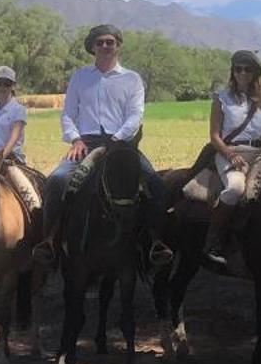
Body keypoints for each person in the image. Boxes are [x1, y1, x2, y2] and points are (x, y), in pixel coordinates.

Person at [39, 24, 167, 265]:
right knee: (56, 181)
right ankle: (50, 241)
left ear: (118, 46)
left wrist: (117, 139)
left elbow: (135, 115)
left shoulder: (132, 79)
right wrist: (75, 139)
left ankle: (155, 243)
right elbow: (68, 113)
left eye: (110, 42)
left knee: (155, 184)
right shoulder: (80, 77)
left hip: (122, 144)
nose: (105, 46)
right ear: (93, 48)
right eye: (100, 43)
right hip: (85, 144)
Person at [188, 49, 261, 268]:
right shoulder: (222, 98)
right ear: (233, 72)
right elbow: (214, 136)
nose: (242, 73)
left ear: (255, 72)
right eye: (238, 69)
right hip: (230, 153)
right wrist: (230, 154)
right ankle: (214, 242)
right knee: (236, 189)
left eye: (247, 69)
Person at [0, 65, 44, 213]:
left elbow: (13, 139)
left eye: (7, 83)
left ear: (13, 86)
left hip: (12, 160)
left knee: (29, 196)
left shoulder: (18, 110)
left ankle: (37, 221)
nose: (2, 87)